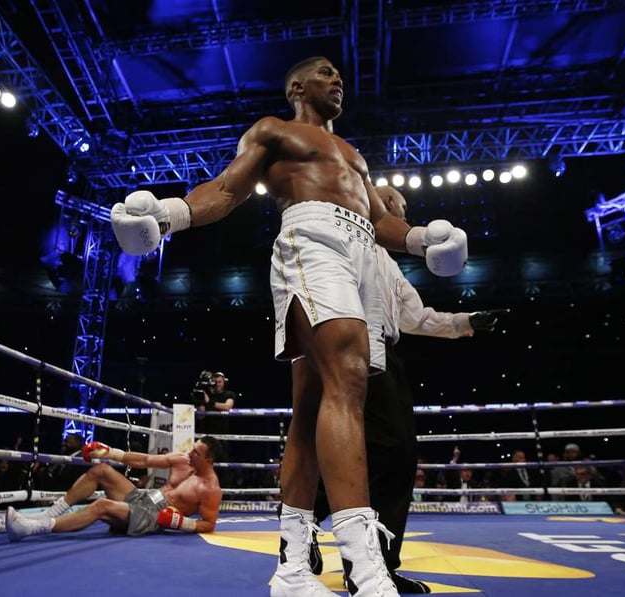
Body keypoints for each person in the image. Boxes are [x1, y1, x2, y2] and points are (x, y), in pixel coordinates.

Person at [109, 56, 468, 597]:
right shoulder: (275, 131)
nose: (337, 79)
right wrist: (167, 215)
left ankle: (293, 568)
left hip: (363, 253)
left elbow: (379, 222)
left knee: (310, 408)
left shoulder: (354, 155)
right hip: (314, 239)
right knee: (348, 379)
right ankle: (366, 568)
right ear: (297, 86)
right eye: (325, 72)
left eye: (338, 74)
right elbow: (226, 189)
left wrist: (424, 241)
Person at [307, 184, 502, 592]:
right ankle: (320, 531)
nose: (402, 216)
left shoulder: (390, 266)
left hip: (386, 356)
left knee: (383, 456)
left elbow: (419, 318)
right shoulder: (338, 241)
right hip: (348, 348)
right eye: (396, 207)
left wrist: (466, 322)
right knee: (390, 453)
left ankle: (354, 550)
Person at [6, 436, 222, 540]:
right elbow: (144, 460)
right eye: (192, 448)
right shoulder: (182, 460)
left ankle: (32, 528)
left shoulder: (210, 489)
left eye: (196, 453)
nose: (190, 454)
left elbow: (209, 524)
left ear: (209, 460)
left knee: (101, 506)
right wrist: (110, 452)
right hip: (144, 500)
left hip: (153, 517)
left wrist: (181, 523)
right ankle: (49, 513)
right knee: (101, 470)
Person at [195, 371, 236, 436]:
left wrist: (210, 402)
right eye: (215, 382)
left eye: (220, 382)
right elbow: (200, 417)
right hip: (205, 431)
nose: (217, 384)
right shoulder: (207, 394)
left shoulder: (229, 394)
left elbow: (227, 407)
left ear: (224, 382)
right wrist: (200, 400)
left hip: (221, 432)